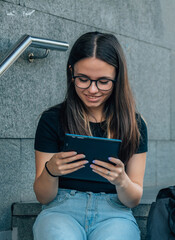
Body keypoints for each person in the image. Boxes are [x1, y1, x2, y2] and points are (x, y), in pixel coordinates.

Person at [32, 32, 147, 240]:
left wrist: (122, 181)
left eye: (103, 81)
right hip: (61, 209)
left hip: (114, 213)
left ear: (117, 77)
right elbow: (43, 196)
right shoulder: (52, 119)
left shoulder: (134, 125)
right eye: (83, 79)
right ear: (71, 72)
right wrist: (50, 171)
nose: (92, 90)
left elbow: (133, 199)